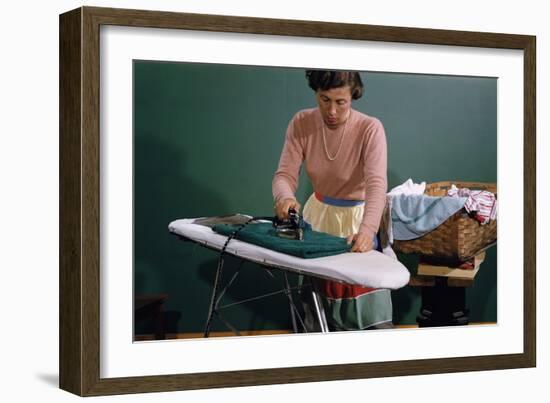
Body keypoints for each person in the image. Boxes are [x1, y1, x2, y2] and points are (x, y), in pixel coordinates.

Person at [272, 70, 393, 331]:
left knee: (365, 311)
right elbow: (284, 175)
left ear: (353, 96)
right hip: (319, 219)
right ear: (316, 92)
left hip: (359, 219)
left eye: (341, 102)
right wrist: (285, 197)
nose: (332, 111)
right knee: (318, 310)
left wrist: (368, 230)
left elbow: (376, 184)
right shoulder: (301, 122)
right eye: (324, 99)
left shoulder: (370, 128)